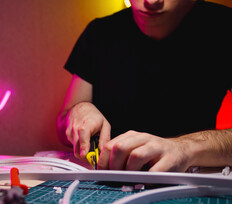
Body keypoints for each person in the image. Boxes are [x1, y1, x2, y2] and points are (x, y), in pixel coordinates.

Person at [57, 0, 232, 172]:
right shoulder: (99, 33)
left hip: (192, 179)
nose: (151, 2)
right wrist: (77, 112)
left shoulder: (224, 25)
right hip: (108, 179)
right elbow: (62, 123)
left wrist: (186, 148)